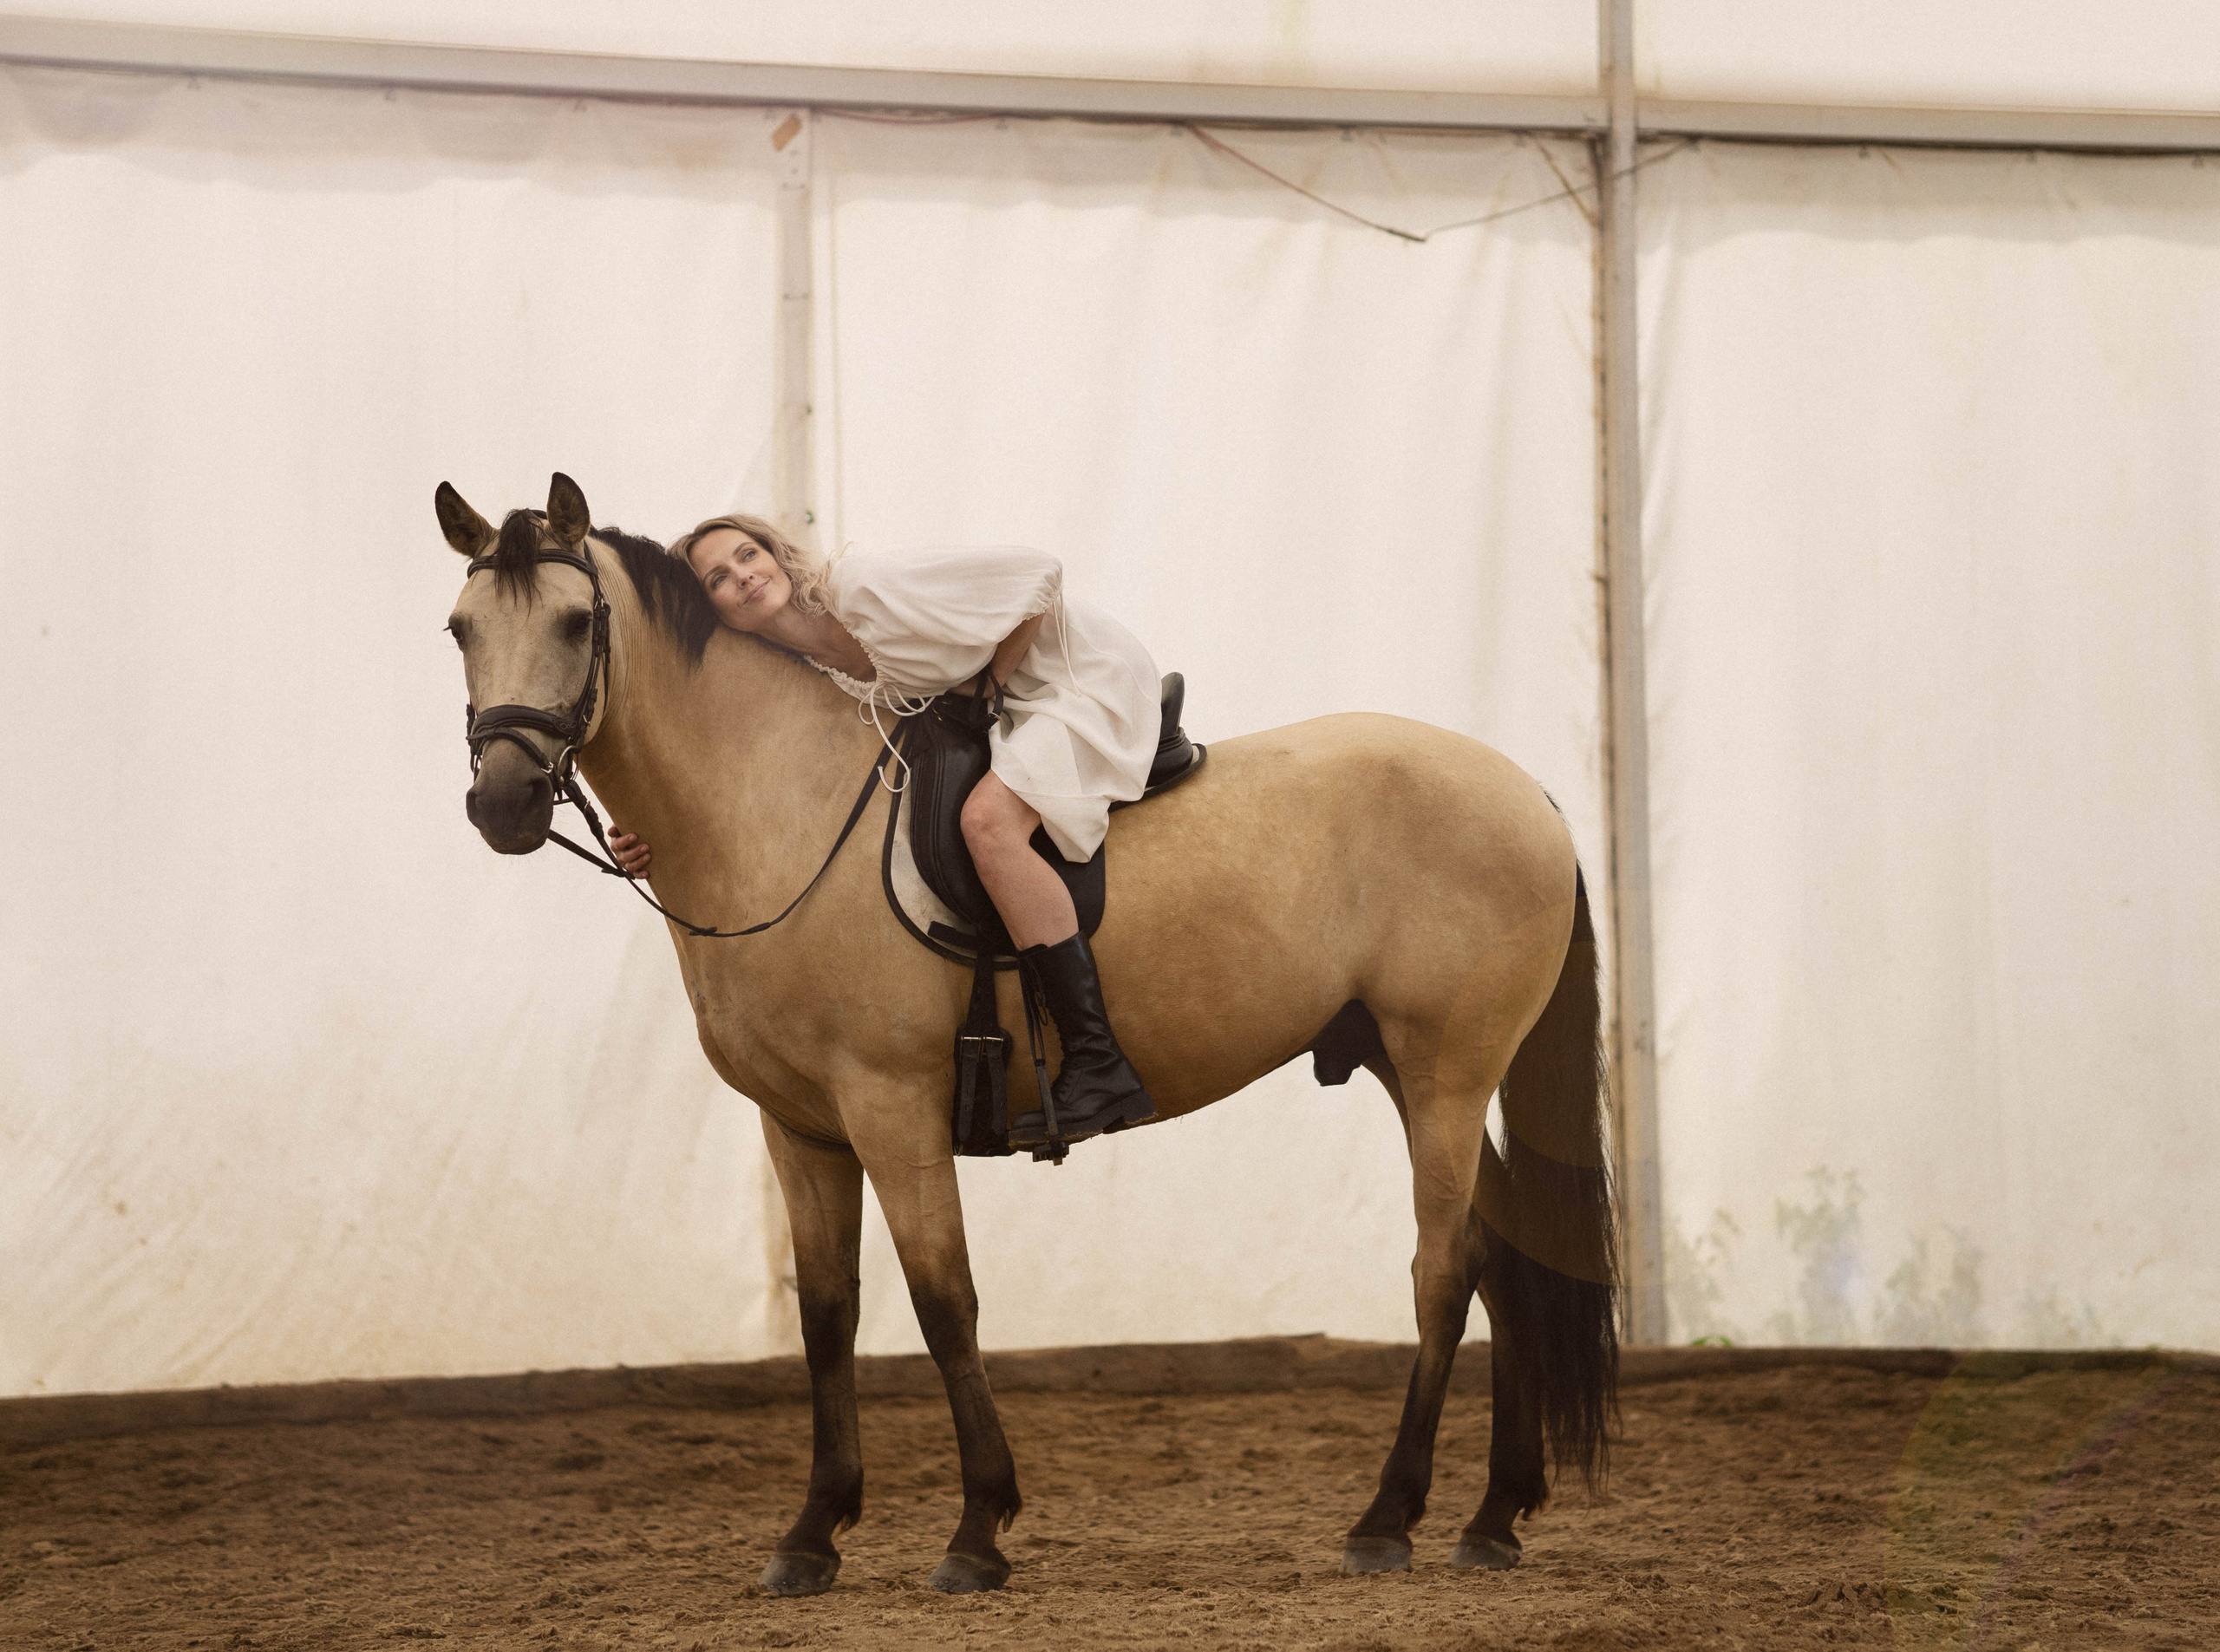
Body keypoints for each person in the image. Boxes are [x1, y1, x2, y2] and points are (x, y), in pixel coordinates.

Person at [609, 513, 1161, 1147]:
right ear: (715, 608)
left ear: (773, 552)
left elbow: (1041, 575)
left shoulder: (860, 588)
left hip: (1076, 679)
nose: (744, 576)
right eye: (719, 578)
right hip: (1014, 709)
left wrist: (988, 685)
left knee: (987, 823)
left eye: (747, 554)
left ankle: (1098, 1059)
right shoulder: (799, 659)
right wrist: (648, 834)